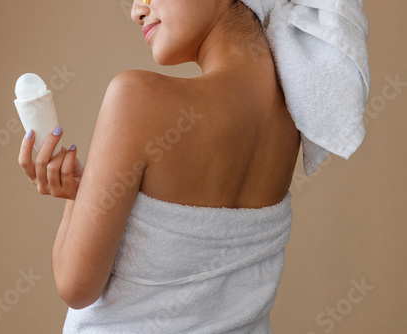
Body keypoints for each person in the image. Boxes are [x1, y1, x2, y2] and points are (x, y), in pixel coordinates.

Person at [18, 0, 369, 332]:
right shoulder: (291, 121)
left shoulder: (136, 98)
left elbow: (75, 287)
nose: (136, 12)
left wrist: (74, 200)